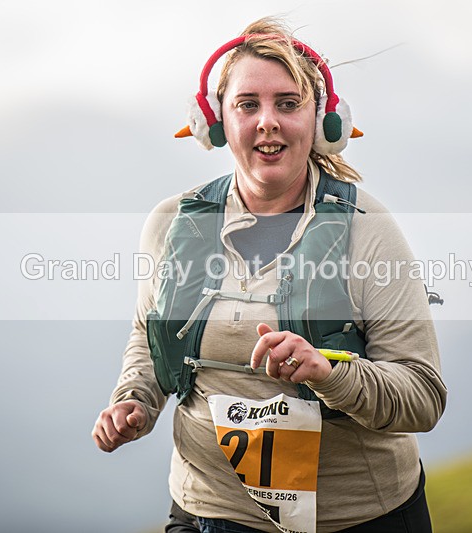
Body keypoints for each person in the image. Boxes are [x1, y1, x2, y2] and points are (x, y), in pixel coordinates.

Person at [92, 17, 446, 533]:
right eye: (247, 105)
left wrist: (327, 372)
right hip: (205, 510)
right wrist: (134, 401)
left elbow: (422, 396)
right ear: (216, 125)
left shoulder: (369, 231)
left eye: (287, 103)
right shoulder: (173, 223)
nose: (267, 121)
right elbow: (149, 339)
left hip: (360, 518)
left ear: (322, 121)